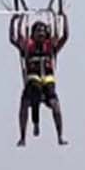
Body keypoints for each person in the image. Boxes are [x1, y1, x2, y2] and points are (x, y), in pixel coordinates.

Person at [10, 13, 67, 146]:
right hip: (32, 83)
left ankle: (60, 136)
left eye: (42, 31)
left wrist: (63, 18)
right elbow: (13, 38)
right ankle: (23, 136)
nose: (40, 33)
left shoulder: (51, 47)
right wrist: (15, 21)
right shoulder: (28, 47)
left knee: (55, 106)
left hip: (48, 83)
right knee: (26, 102)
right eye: (37, 31)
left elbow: (65, 36)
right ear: (33, 34)